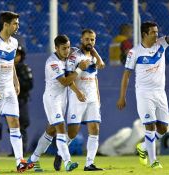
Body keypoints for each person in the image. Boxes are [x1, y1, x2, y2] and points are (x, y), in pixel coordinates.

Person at [116, 1, 169, 169]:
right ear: (144, 34)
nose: (157, 35)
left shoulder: (162, 44)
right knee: (149, 127)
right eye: (153, 33)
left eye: (157, 32)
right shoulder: (134, 52)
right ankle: (153, 161)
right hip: (144, 93)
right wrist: (122, 96)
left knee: (163, 129)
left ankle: (143, 147)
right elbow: (126, 75)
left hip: (160, 92)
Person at [27, 35, 91, 172]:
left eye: (68, 47)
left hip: (62, 99)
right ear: (56, 48)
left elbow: (87, 48)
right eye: (63, 48)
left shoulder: (69, 54)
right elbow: (65, 81)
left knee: (50, 130)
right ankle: (68, 162)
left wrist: (78, 92)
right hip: (52, 99)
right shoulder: (53, 63)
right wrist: (79, 69)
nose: (67, 51)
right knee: (61, 128)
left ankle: (33, 160)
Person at [0, 11, 31, 173]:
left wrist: (15, 81)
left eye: (18, 23)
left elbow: (11, 64)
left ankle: (20, 161)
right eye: (15, 23)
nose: (18, 26)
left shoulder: (14, 42)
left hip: (9, 89)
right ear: (6, 24)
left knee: (15, 123)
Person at [64, 29, 104, 171]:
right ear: (81, 40)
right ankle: (60, 153)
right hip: (77, 98)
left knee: (95, 128)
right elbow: (68, 78)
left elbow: (95, 78)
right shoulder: (74, 57)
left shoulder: (94, 58)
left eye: (92, 39)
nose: (90, 42)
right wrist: (78, 92)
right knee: (73, 132)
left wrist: (98, 97)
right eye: (87, 39)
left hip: (92, 98)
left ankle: (89, 163)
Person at [14, 43, 33, 155]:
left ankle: (22, 150)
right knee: (12, 126)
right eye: (14, 54)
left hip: (21, 100)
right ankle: (15, 151)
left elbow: (30, 84)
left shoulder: (24, 68)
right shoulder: (6, 68)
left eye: (18, 54)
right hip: (10, 100)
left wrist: (17, 84)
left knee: (22, 125)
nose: (16, 57)